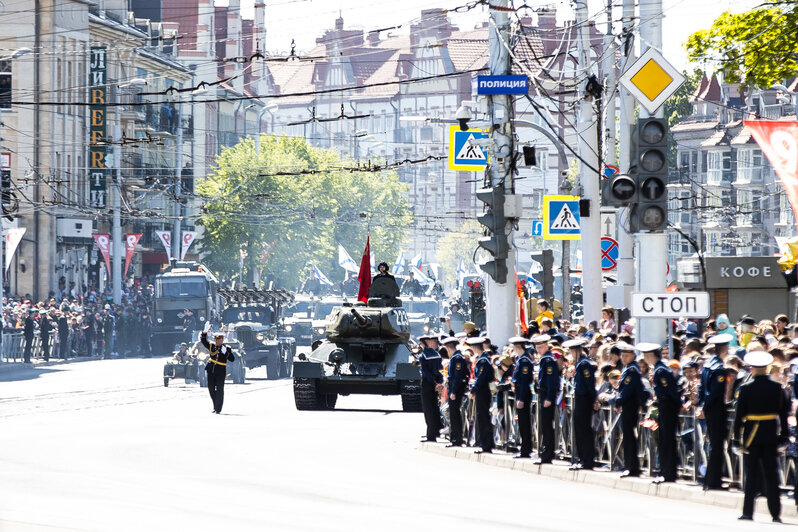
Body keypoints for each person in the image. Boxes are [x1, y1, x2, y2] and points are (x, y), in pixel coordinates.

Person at [734, 351, 789, 523]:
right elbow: (783, 414)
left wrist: (736, 438)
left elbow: (739, 416)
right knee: (772, 475)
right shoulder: (777, 388)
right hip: (770, 433)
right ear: (766, 368)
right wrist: (784, 435)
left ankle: (748, 512)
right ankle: (775, 514)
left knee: (751, 474)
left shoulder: (745, 388)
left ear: (752, 368)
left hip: (752, 434)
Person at [640, 342, 681, 484]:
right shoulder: (659, 369)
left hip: (667, 407)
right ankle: (665, 471)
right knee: (664, 440)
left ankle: (668, 473)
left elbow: (670, 392)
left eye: (646, 355)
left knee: (667, 440)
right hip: (664, 406)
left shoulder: (661, 371)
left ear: (650, 355)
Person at [699, 332, 733, 490]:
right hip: (716, 409)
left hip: (709, 408)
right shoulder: (719, 369)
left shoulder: (707, 365)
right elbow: (715, 392)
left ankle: (709, 479)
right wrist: (706, 407)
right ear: (725, 349)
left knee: (714, 445)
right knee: (717, 446)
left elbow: (702, 389)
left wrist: (702, 405)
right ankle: (714, 481)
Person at [610, 342, 647, 477]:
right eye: (622, 355)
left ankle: (631, 466)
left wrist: (617, 401)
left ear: (633, 356)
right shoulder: (628, 369)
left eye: (626, 355)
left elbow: (627, 390)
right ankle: (630, 465)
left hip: (630, 406)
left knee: (629, 437)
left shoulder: (632, 370)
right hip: (627, 405)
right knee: (627, 437)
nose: (623, 358)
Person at [568, 337, 597, 470]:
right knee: (579, 429)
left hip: (584, 399)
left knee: (584, 430)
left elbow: (589, 384)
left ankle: (587, 460)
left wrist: (594, 400)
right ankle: (582, 458)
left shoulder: (584, 364)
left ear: (577, 351)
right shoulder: (580, 363)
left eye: (572, 351)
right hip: (580, 398)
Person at [532, 334, 558, 464]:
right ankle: (545, 453)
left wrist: (549, 397)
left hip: (547, 395)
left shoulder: (548, 360)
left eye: (541, 347)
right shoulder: (544, 359)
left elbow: (551, 381)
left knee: (547, 426)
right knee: (544, 426)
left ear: (547, 346)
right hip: (543, 394)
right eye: (537, 347)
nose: (538, 350)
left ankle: (547, 454)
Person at [200, 323, 235, 414]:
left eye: (219, 339)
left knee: (219, 390)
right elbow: (203, 341)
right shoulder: (212, 346)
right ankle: (215, 405)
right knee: (211, 388)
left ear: (222, 339)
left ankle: (218, 408)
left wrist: (225, 353)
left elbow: (232, 359)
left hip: (220, 371)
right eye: (216, 339)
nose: (217, 340)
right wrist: (204, 331)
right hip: (211, 369)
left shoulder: (227, 348)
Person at [468, 336, 494, 454]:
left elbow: (480, 378)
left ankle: (486, 445)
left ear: (474, 348)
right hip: (482, 391)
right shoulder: (483, 359)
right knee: (482, 418)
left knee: (483, 418)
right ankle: (486, 443)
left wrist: (473, 390)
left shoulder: (483, 361)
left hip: (483, 392)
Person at [510, 336, 534, 458]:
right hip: (520, 392)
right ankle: (525, 448)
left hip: (523, 394)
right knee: (522, 422)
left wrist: (520, 398)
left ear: (517, 347)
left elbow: (524, 381)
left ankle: (526, 449)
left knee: (524, 423)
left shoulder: (524, 361)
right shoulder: (521, 359)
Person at [418, 334, 444, 443]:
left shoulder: (423, 356)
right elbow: (440, 370)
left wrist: (433, 383)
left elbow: (425, 372)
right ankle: (436, 431)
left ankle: (431, 435)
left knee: (428, 410)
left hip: (428, 384)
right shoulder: (437, 354)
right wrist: (438, 382)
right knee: (435, 408)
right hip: (436, 384)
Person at [443, 336, 468, 447]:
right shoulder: (455, 357)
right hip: (453, 388)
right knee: (453, 414)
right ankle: (455, 438)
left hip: (456, 390)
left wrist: (453, 391)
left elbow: (457, 377)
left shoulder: (457, 358)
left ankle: (457, 439)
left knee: (455, 415)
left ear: (448, 348)